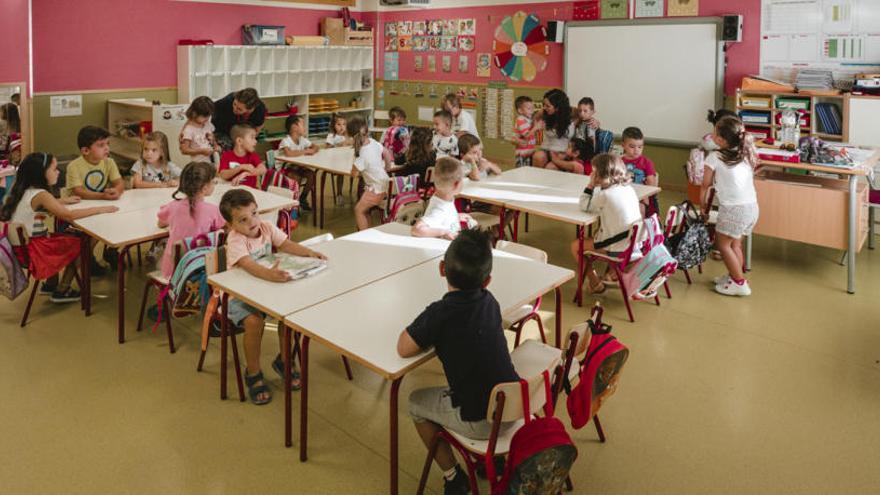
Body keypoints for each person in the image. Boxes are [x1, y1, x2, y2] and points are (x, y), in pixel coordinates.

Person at [398, 229, 519, 495]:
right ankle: (493, 461)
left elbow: (403, 348)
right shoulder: (491, 301)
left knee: (415, 403)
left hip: (480, 420)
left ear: (442, 269)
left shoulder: (441, 313)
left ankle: (454, 477)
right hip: (513, 405)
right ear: (487, 281)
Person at [219, 189, 327, 405]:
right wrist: (270, 275)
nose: (252, 222)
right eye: (243, 219)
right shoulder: (236, 239)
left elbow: (286, 244)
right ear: (231, 225)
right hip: (236, 296)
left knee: (289, 317)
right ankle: (253, 372)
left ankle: (285, 361)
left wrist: (308, 252)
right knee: (254, 322)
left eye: (255, 213)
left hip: (265, 288)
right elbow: (248, 265)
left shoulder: (266, 227)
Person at [0, 152, 117, 302]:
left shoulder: (21, 190)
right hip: (38, 251)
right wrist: (100, 209)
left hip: (23, 250)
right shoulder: (42, 194)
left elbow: (34, 206)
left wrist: (61, 201)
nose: (58, 172)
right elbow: (69, 216)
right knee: (85, 241)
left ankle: (51, 284)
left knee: (63, 234)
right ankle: (63, 288)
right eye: (54, 169)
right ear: (41, 174)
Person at [702, 116, 759, 297]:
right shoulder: (745, 153)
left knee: (722, 244)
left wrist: (703, 208)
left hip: (733, 210)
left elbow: (705, 185)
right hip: (751, 208)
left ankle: (740, 283)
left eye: (715, 131)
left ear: (720, 139)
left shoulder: (715, 156)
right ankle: (736, 275)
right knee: (735, 244)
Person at [569, 153, 641, 295]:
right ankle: (611, 273)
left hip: (619, 247)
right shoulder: (628, 188)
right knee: (599, 231)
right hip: (634, 244)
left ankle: (595, 283)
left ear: (602, 175)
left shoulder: (605, 195)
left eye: (594, 172)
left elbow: (584, 205)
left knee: (576, 246)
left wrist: (590, 185)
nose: (592, 174)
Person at [156, 162, 225, 279]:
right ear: (204, 188)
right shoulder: (213, 211)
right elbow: (223, 228)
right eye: (213, 182)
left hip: (172, 271)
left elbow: (160, 223)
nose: (215, 184)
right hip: (200, 269)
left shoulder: (173, 206)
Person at [411, 156, 473, 240]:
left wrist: (456, 216)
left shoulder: (444, 199)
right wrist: (444, 232)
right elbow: (416, 229)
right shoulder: (439, 209)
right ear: (457, 184)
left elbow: (441, 218)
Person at [348, 116, 390, 231]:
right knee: (365, 210)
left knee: (358, 210)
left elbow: (354, 174)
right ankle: (367, 229)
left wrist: (355, 169)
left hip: (376, 189)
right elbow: (386, 153)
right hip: (385, 183)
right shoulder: (373, 142)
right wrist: (387, 168)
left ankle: (364, 234)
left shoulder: (361, 155)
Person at [65, 126, 124, 200]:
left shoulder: (110, 162)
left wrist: (116, 190)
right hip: (79, 204)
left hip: (100, 202)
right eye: (101, 145)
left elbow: (119, 183)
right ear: (86, 151)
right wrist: (102, 196)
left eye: (108, 144)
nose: (107, 148)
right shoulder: (73, 166)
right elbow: (78, 192)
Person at [279, 114, 319, 210]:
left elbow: (316, 146)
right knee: (297, 177)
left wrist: (313, 150)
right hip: (286, 169)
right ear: (294, 127)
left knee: (311, 175)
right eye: (302, 124)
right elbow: (289, 153)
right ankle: (293, 203)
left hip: (299, 167)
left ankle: (302, 198)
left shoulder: (303, 140)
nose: (305, 127)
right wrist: (306, 151)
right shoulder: (286, 141)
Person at [532, 89, 573, 169]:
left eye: (548, 106)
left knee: (550, 167)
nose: (544, 108)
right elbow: (534, 118)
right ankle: (535, 180)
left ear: (557, 107)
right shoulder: (545, 114)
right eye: (544, 105)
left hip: (562, 153)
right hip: (546, 149)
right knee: (538, 157)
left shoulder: (573, 116)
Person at [218, 124, 266, 189]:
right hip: (231, 190)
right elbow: (223, 175)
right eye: (252, 138)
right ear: (239, 141)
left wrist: (246, 173)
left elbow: (263, 169)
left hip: (250, 192)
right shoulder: (226, 155)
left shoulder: (253, 155)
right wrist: (241, 167)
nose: (255, 141)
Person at [179, 96, 220, 163]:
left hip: (212, 161)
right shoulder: (189, 130)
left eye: (209, 116)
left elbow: (212, 139)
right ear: (194, 113)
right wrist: (201, 151)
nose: (207, 119)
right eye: (204, 116)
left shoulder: (208, 124)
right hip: (199, 164)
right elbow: (184, 150)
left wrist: (216, 146)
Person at [513, 95, 538, 168]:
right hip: (522, 153)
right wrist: (536, 127)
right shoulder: (520, 120)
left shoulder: (529, 120)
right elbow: (526, 135)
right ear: (520, 110)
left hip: (529, 151)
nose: (532, 111)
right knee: (522, 172)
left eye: (533, 108)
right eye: (529, 109)